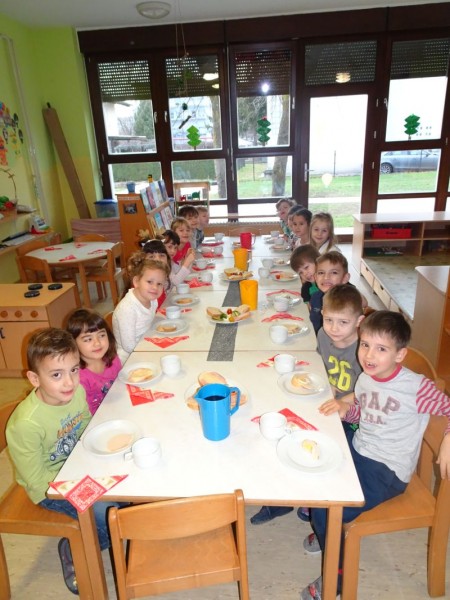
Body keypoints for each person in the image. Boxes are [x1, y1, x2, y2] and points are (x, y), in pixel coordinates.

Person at [300, 310, 450, 600]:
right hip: (362, 448)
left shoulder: (415, 387)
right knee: (319, 464)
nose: (369, 355)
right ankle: (328, 530)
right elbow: (366, 412)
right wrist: (346, 410)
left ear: (399, 354)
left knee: (327, 507)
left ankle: (336, 575)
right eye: (365, 344)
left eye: (381, 349)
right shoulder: (367, 378)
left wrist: (448, 437)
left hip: (388, 470)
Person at [5, 328, 120, 595]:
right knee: (107, 517)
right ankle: (71, 548)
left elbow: (84, 427)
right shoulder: (26, 424)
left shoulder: (76, 392)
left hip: (77, 466)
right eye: (56, 375)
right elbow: (36, 481)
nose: (69, 382)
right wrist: (80, 484)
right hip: (48, 487)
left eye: (74, 370)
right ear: (34, 378)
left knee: (128, 496)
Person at [298, 284, 364, 533]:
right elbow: (320, 364)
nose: (334, 328)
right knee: (298, 426)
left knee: (334, 454)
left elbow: (371, 388)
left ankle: (324, 499)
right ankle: (304, 493)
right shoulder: (323, 336)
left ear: (359, 321)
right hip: (329, 399)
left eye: (343, 322)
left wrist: (344, 399)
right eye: (328, 320)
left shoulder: (364, 348)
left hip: (355, 414)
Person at [113, 254, 169, 362]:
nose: (155, 287)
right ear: (136, 281)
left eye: (159, 284)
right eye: (149, 282)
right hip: (128, 359)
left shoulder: (152, 300)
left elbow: (148, 323)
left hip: (145, 347)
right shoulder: (127, 308)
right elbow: (129, 347)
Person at [67, 308, 121, 415]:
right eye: (88, 339)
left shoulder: (113, 358)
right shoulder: (78, 377)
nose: (97, 343)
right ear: (73, 343)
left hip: (118, 406)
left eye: (101, 335)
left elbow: (121, 385)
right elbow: (85, 413)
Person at [309, 250, 352, 334]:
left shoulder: (348, 302)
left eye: (334, 272)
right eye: (321, 273)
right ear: (315, 277)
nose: (326, 277)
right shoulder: (315, 297)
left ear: (345, 278)